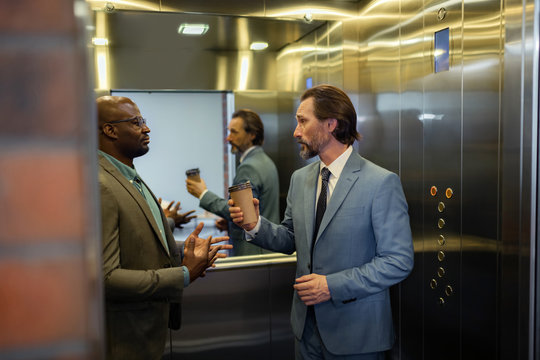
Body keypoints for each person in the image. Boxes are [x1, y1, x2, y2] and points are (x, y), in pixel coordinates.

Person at [229, 85, 414, 359]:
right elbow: (291, 237)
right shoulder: (300, 179)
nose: (296, 132)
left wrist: (331, 286)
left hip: (356, 335)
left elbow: (398, 261)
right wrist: (254, 225)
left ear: (331, 123)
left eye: (303, 121)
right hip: (305, 331)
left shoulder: (380, 183)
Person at [97, 95, 232, 360]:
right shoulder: (102, 184)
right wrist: (182, 275)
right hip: (126, 339)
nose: (146, 129)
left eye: (143, 121)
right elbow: (106, 278)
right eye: (136, 122)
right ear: (110, 130)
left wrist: (185, 250)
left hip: (148, 332)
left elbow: (136, 243)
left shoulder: (128, 175)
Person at [186, 109, 280, 256]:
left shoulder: (249, 167)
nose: (228, 138)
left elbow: (243, 213)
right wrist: (230, 224)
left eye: (234, 132)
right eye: (228, 132)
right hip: (266, 248)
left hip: (253, 252)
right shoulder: (266, 162)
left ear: (252, 135)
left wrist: (203, 194)